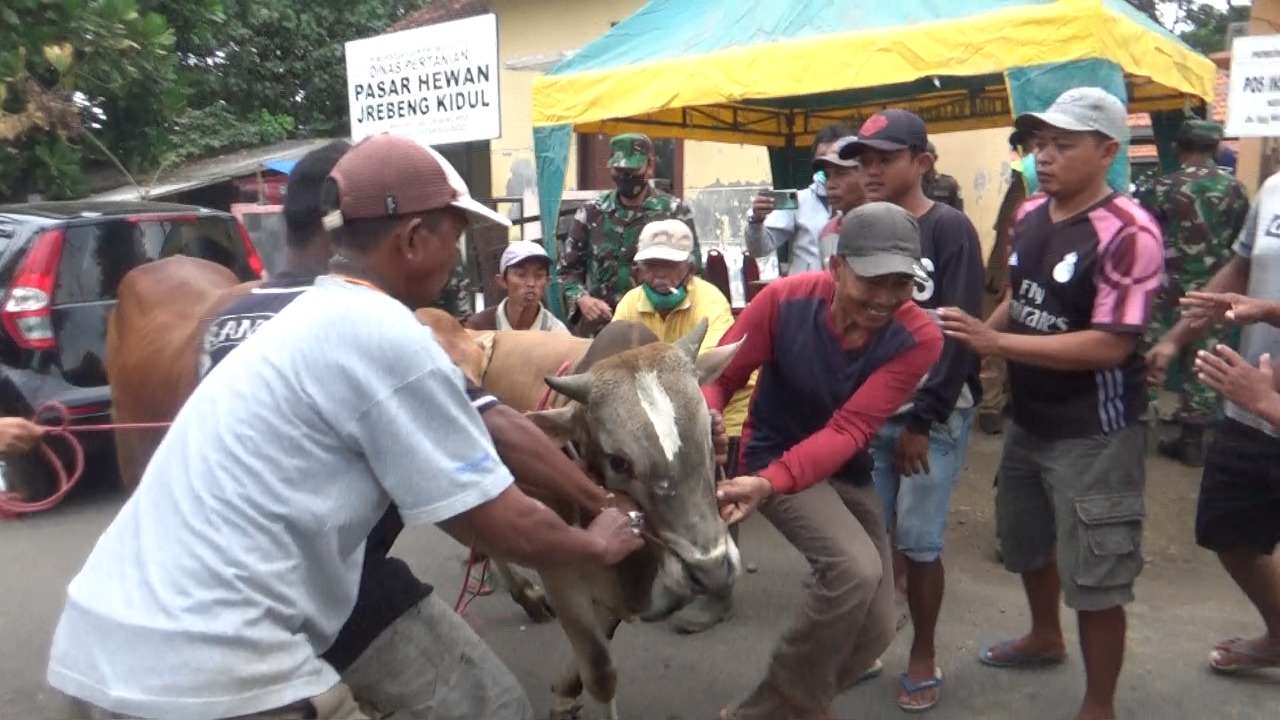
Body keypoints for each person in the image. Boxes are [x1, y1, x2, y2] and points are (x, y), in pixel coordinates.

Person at [46, 134, 647, 720]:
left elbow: (486, 448)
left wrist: (589, 498)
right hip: (208, 666)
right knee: (496, 708)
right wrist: (595, 541)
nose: (457, 256)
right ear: (413, 239)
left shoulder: (307, 312)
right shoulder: (385, 333)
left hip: (101, 640)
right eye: (455, 236)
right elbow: (502, 519)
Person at [939, 87, 1163, 720]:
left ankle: (1099, 703)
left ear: (1108, 151)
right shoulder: (1032, 212)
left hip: (1096, 431)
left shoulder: (1129, 232)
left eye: (1064, 145)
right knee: (1026, 541)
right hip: (1030, 419)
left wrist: (998, 342)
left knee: (1097, 575)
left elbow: (1111, 345)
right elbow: (1024, 292)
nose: (1045, 156)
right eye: (1040, 144)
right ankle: (1044, 636)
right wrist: (982, 340)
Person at [709, 202, 943, 720]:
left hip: (841, 464)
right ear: (837, 267)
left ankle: (794, 702)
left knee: (877, 625)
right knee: (854, 569)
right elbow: (721, 376)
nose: (885, 298)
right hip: (773, 454)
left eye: (901, 283)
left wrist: (768, 485)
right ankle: (773, 710)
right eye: (872, 280)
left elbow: (851, 428)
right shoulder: (782, 301)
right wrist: (710, 419)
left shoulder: (919, 338)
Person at [841, 109, 984, 713]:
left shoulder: (949, 229)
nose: (871, 170)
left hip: (933, 413)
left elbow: (958, 334)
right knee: (868, 536)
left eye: (886, 159)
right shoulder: (858, 227)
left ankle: (923, 652)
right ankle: (868, 643)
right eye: (864, 161)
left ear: (922, 162)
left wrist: (923, 420)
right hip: (870, 410)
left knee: (920, 542)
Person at [1148, 169, 1280, 674]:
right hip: (1249, 401)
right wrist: (1176, 337)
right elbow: (1240, 270)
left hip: (1261, 397)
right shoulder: (1272, 189)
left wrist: (1267, 311)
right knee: (1228, 529)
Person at [612, 218, 754, 634]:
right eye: (651, 265)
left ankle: (719, 593)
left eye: (670, 265)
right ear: (638, 269)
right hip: (661, 420)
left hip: (716, 408)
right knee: (667, 498)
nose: (660, 275)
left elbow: (704, 374)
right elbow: (615, 363)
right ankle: (677, 579)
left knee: (718, 498)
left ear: (689, 268)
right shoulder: (629, 304)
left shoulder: (710, 302)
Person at [1135, 119, 1250, 467]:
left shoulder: (1159, 185)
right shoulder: (1236, 189)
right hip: (1214, 290)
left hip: (1164, 286)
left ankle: (1137, 431)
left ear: (1177, 147)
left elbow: (1142, 234)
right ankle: (1192, 441)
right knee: (1205, 357)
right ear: (1216, 148)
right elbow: (1241, 243)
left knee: (1150, 350)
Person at [558, 133, 700, 334]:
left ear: (650, 165)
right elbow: (567, 271)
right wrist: (582, 299)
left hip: (658, 327)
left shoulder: (674, 212)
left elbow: (694, 270)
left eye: (633, 170)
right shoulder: (591, 213)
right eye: (620, 170)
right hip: (602, 331)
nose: (626, 177)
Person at [747, 122, 858, 275]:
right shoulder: (799, 200)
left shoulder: (870, 207)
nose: (829, 164)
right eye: (823, 160)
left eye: (838, 163)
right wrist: (756, 221)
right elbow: (758, 250)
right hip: (807, 289)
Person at [977, 131, 1032, 436]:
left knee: (1004, 341)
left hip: (1012, 277)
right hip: (1003, 275)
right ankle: (991, 407)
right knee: (995, 341)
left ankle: (996, 403)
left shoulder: (1029, 184)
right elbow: (1006, 233)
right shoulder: (1022, 183)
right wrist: (1002, 274)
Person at [466, 240, 570, 333]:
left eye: (539, 275)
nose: (531, 283)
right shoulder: (479, 327)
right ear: (502, 281)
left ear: (547, 281)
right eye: (521, 274)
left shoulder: (558, 333)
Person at [813, 135, 868, 255]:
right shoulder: (828, 232)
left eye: (841, 173)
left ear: (865, 173)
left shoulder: (892, 224)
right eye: (827, 176)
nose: (830, 185)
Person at [922, 141, 964, 212]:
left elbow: (958, 211)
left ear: (935, 158)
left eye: (927, 157)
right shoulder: (913, 184)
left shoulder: (949, 184)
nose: (924, 161)